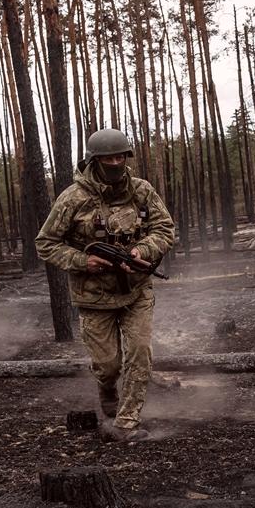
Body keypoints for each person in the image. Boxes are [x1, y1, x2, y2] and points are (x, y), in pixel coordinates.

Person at [36, 129, 176, 442]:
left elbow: (165, 230)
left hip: (136, 290)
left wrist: (141, 250)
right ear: (94, 160)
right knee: (107, 365)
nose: (115, 162)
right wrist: (82, 261)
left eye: (120, 156)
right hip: (93, 296)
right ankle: (107, 390)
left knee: (140, 354)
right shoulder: (73, 198)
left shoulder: (141, 191)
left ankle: (126, 423)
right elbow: (46, 244)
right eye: (108, 158)